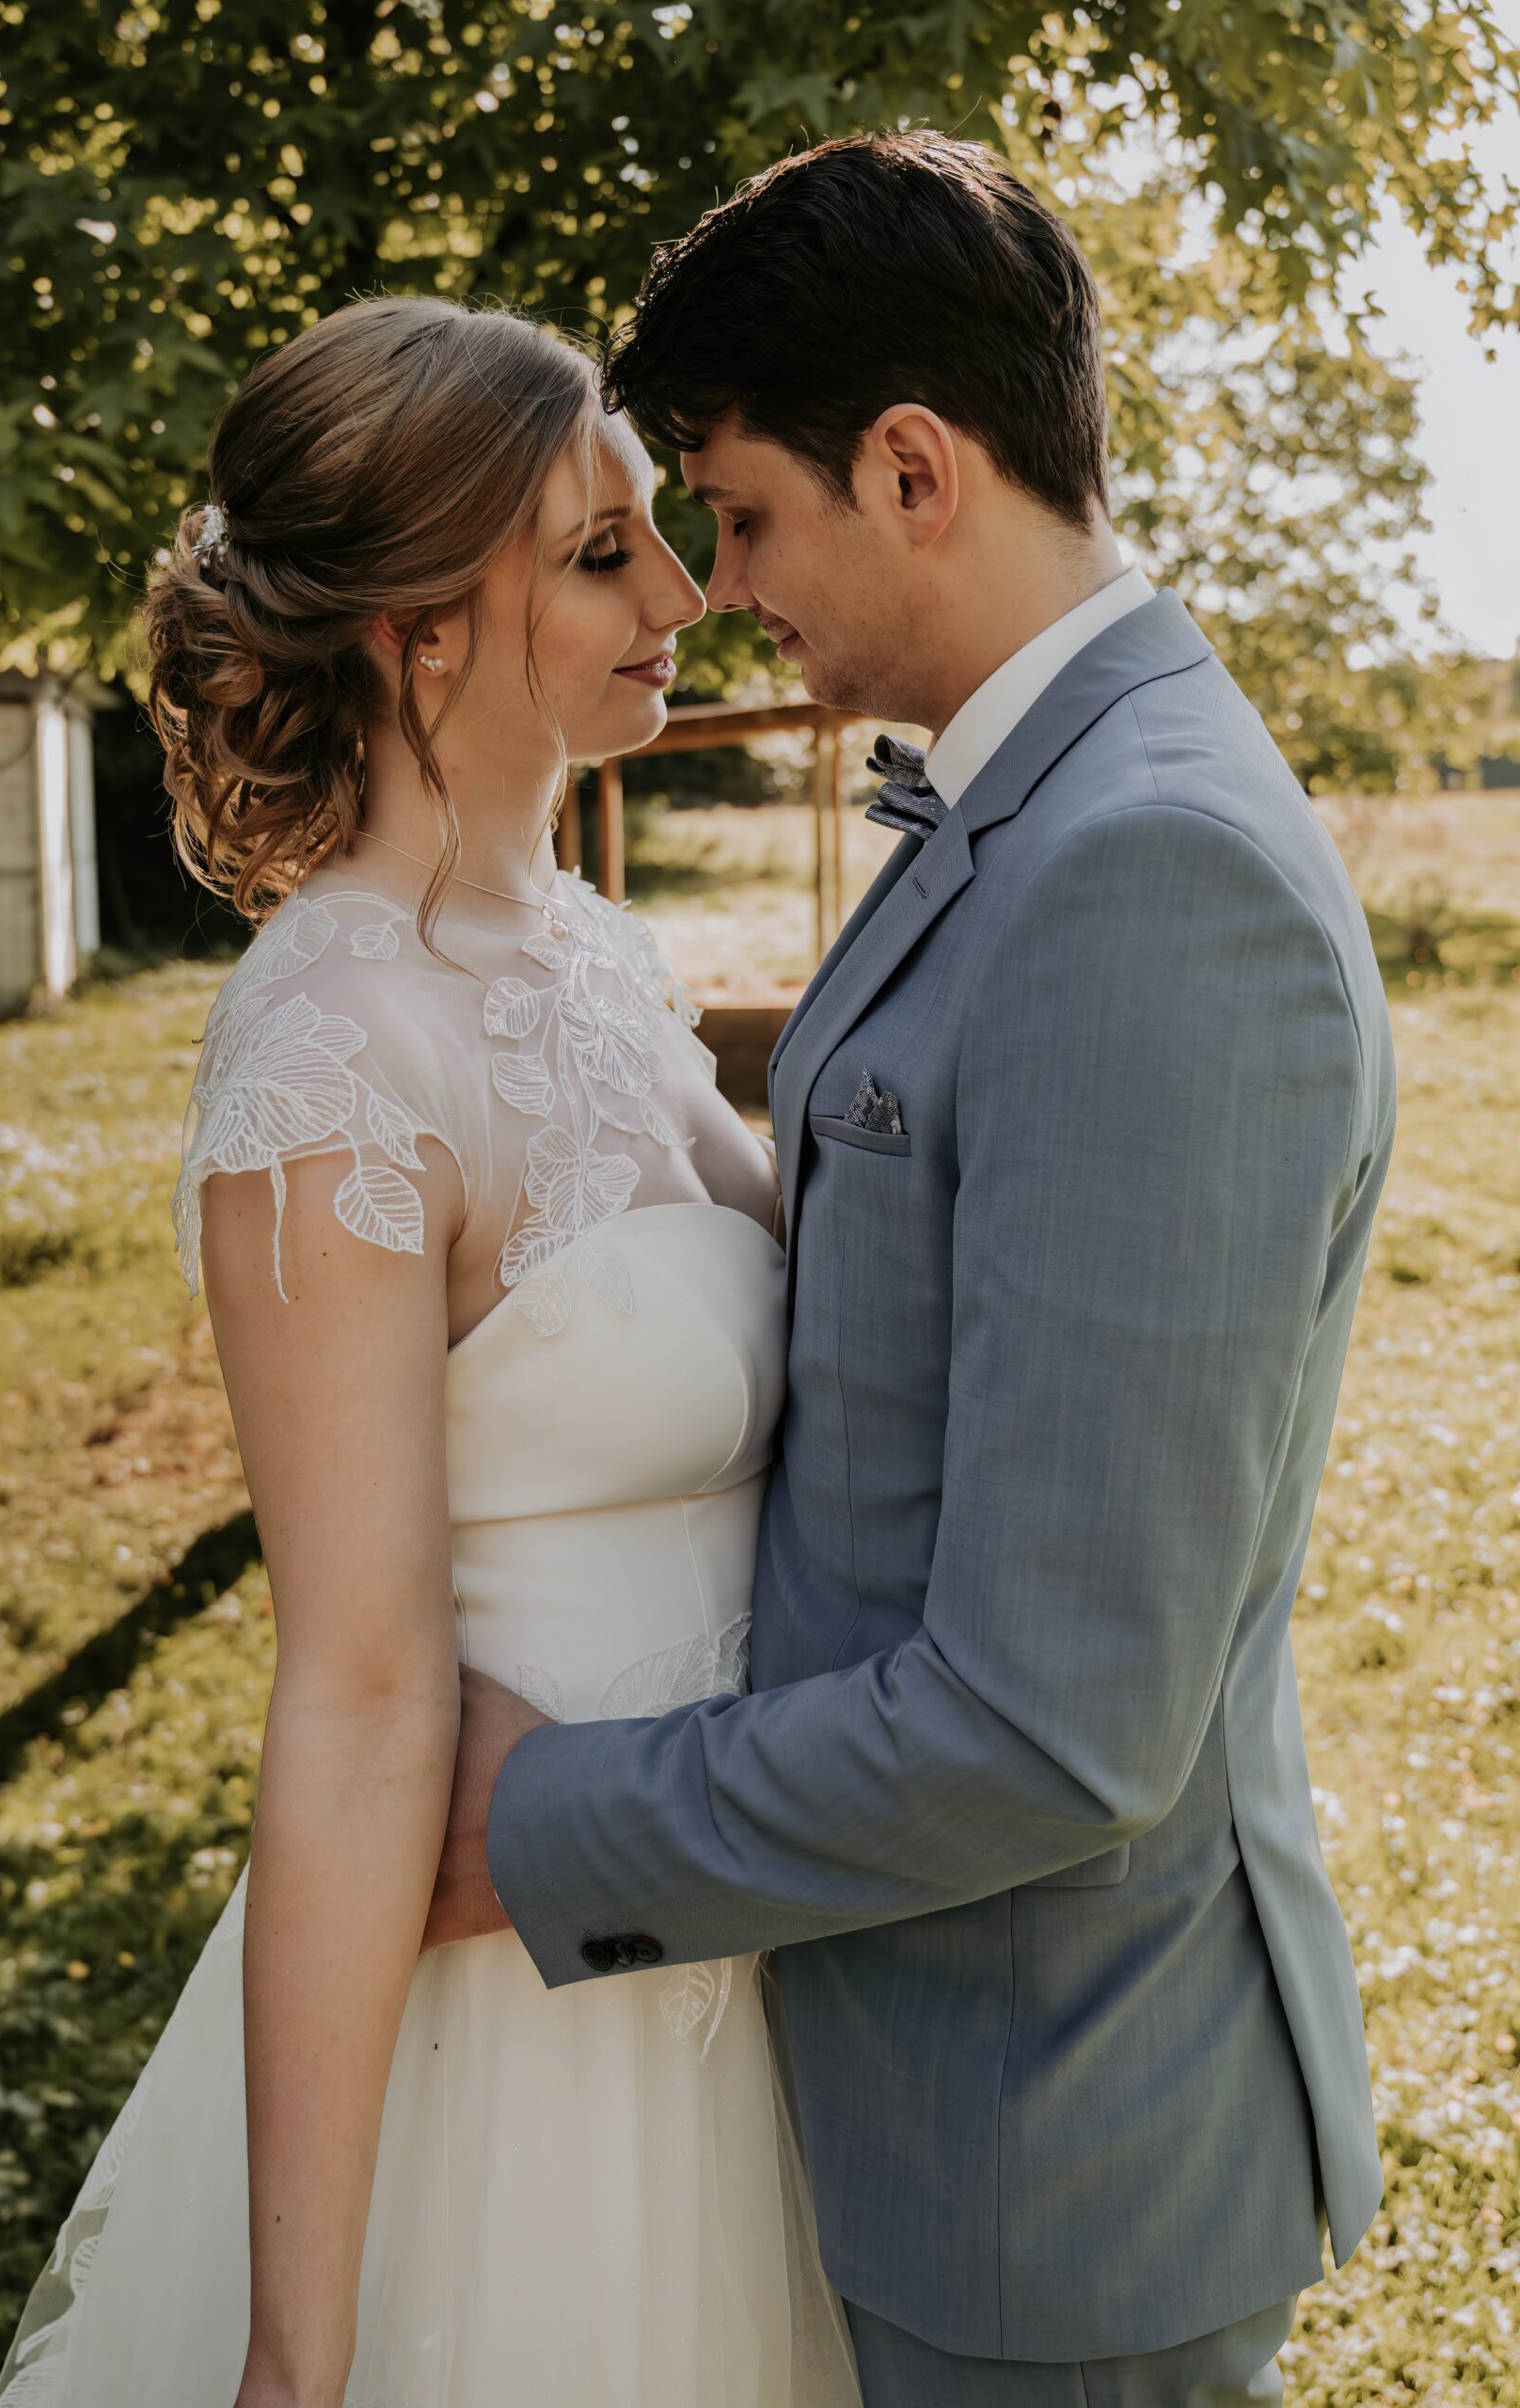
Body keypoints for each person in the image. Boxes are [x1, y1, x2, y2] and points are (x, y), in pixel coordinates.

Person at [432, 134, 1396, 2408]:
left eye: (743, 513)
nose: (714, 584)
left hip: (1049, 2154)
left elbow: (1059, 1719)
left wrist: (528, 1823)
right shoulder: (1036, 800)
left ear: (913, 465)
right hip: (914, 2083)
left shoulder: (1150, 874)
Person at [0, 294, 861, 2408]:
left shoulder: (598, 950)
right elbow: (363, 1692)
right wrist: (301, 2354)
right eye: (597, 554)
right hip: (519, 2038)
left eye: (661, 530)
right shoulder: (328, 1045)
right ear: (411, 630)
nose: (683, 594)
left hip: (744, 1950)